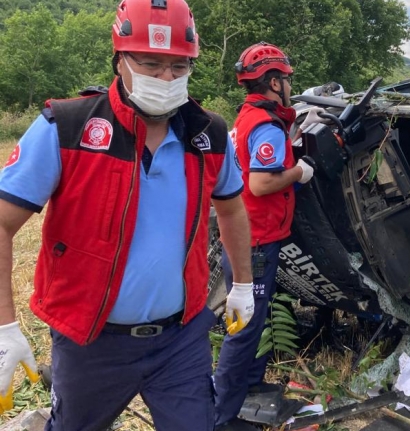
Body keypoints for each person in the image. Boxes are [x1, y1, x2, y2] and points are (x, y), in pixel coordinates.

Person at [0, 0, 255, 429]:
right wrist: (5, 326)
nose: (167, 78)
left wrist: (243, 285)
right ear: (119, 60)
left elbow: (231, 210)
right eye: (151, 63)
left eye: (179, 66)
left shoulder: (206, 134)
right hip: (90, 342)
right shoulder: (68, 128)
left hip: (181, 337)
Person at [213, 42, 322, 430]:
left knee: (253, 322)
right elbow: (261, 183)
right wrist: (300, 171)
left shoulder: (247, 117)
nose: (290, 87)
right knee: (244, 329)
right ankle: (221, 418)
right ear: (274, 82)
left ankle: (248, 391)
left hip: (252, 236)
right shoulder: (267, 125)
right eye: (286, 81)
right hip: (255, 241)